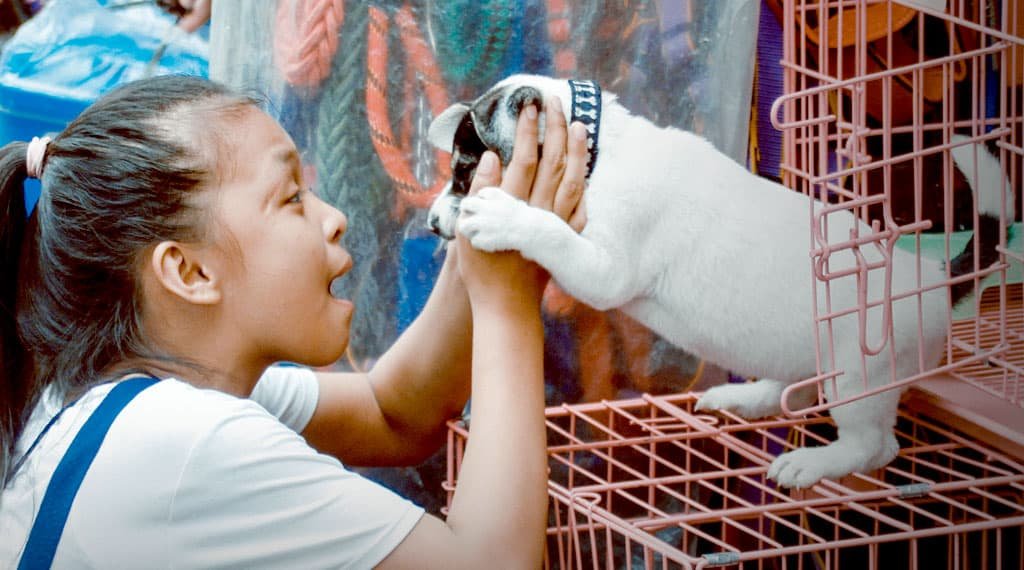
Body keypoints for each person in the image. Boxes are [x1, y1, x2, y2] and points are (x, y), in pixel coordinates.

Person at [0, 74, 589, 568]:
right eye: (291, 198)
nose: (333, 218)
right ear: (189, 272)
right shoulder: (184, 443)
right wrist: (509, 301)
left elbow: (395, 414)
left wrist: (483, 228)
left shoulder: (122, 397)